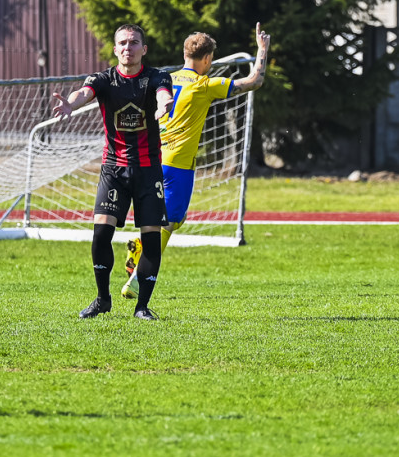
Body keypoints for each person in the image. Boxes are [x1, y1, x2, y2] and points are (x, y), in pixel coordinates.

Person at [121, 23, 271, 300]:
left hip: (152, 158)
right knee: (171, 221)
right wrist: (262, 51)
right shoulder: (204, 85)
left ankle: (139, 248)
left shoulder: (163, 78)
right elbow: (254, 81)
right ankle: (136, 279)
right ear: (207, 59)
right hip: (178, 164)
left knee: (169, 220)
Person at [52, 24, 174, 320]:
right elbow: (84, 92)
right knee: (100, 235)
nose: (127, 48)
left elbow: (163, 93)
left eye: (134, 43)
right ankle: (102, 298)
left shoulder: (157, 77)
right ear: (115, 49)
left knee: (151, 240)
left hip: (148, 171)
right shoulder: (104, 79)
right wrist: (71, 103)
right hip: (114, 169)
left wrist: (163, 104)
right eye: (122, 43)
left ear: (143, 49)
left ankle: (142, 307)